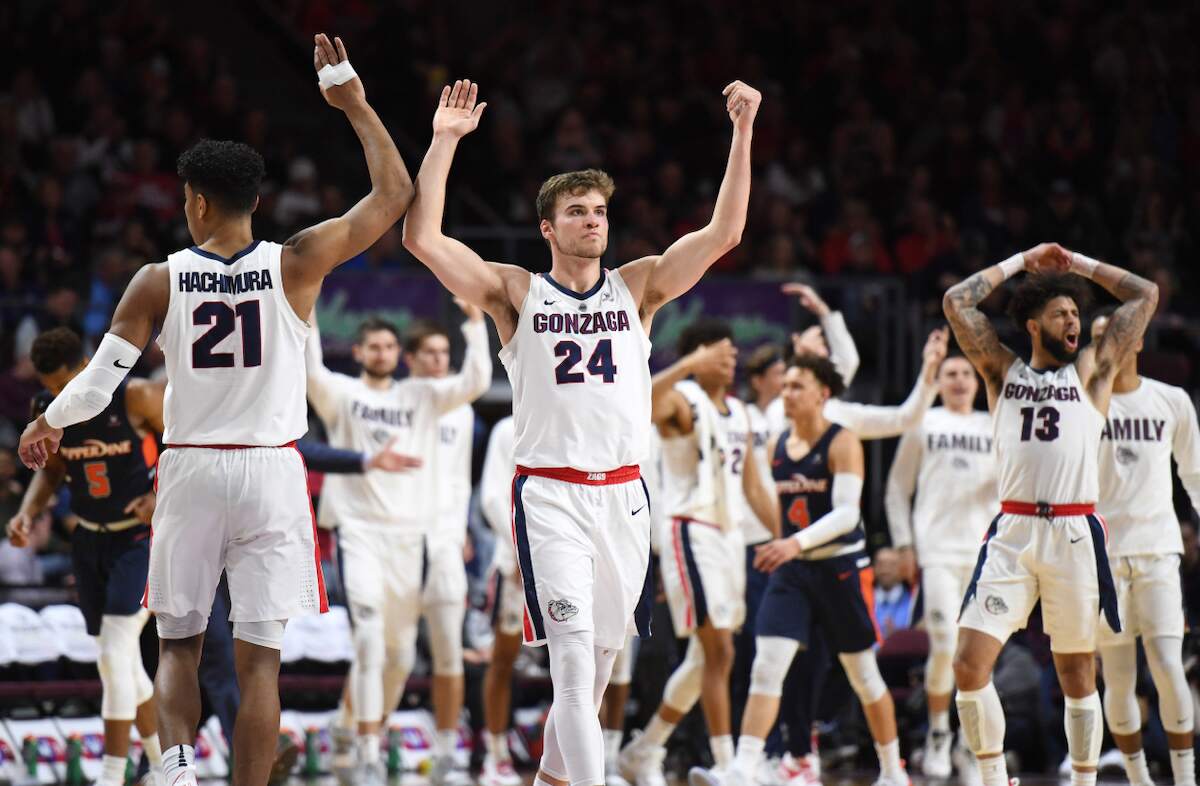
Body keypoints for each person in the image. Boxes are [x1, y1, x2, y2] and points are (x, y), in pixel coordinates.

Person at [17, 34, 414, 786]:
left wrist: (48, 423)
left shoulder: (157, 279)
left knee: (177, 647)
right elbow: (394, 198)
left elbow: (101, 383)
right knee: (261, 662)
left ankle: (173, 771)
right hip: (271, 474)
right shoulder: (296, 261)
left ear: (195, 201)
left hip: (192, 469)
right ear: (256, 202)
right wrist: (354, 103)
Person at [403, 76, 761, 786]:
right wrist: (444, 142)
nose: (593, 221)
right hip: (552, 497)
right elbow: (422, 237)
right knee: (570, 664)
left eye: (599, 211)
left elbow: (725, 234)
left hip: (626, 499)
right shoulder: (515, 291)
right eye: (577, 211)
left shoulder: (639, 287)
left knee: (596, 671)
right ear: (548, 227)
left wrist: (743, 132)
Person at [942, 243, 1158, 786]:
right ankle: (993, 778)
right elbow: (956, 302)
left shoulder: (1092, 374)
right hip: (1013, 530)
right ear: (1033, 325)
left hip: (1074, 531)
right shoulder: (999, 371)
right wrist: (1021, 261)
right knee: (968, 664)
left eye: (1077, 314)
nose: (1074, 321)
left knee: (1077, 672)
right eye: (1061, 313)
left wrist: (1078, 265)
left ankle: (1082, 781)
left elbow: (1145, 294)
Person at [693, 355, 909, 786]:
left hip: (841, 569)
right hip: (794, 572)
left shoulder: (842, 441)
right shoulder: (775, 445)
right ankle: (742, 768)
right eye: (785, 384)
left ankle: (892, 770)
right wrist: (777, 543)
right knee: (766, 665)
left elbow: (848, 515)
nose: (787, 392)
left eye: (797, 385)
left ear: (822, 394)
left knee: (863, 674)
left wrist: (793, 542)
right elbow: (776, 509)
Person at [303, 303, 490, 786]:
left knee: (401, 657)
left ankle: (348, 730)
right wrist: (307, 308)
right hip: (360, 532)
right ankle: (366, 750)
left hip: (412, 540)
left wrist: (473, 323)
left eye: (389, 345)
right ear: (360, 351)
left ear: (395, 353)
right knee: (368, 640)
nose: (382, 352)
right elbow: (308, 366)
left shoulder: (422, 395)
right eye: (375, 346)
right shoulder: (340, 393)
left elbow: (475, 382)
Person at [619, 320, 776, 785]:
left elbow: (752, 485)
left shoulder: (742, 413)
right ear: (698, 355)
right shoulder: (684, 399)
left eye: (733, 354)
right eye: (720, 353)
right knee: (719, 651)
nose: (731, 360)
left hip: (728, 538)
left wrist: (789, 539)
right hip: (691, 530)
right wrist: (685, 365)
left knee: (704, 659)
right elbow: (639, 406)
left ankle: (645, 749)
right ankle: (728, 766)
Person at [7, 327, 164, 786]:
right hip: (89, 541)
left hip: (139, 538)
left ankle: (112, 775)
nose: (59, 397)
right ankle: (161, 767)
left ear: (89, 364)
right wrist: (27, 511)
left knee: (117, 648)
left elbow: (185, 448)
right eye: (50, 388)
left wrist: (160, 492)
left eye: (65, 385)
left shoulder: (134, 396)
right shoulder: (46, 410)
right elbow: (52, 471)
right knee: (115, 660)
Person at [1089, 311, 1198, 786]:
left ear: (1136, 343)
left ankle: (1186, 778)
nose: (1103, 344)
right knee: (1117, 678)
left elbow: (1194, 475)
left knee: (1168, 664)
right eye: (1094, 339)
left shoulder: (1170, 400)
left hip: (1157, 550)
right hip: (1101, 558)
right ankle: (1138, 779)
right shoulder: (1080, 406)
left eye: (1111, 335)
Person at [884, 352, 996, 778]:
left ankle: (970, 743)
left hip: (984, 554)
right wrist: (903, 544)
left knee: (980, 655)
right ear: (938, 380)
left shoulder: (992, 425)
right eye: (950, 373)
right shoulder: (923, 423)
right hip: (936, 552)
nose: (960, 379)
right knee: (946, 646)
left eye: (967, 372)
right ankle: (937, 732)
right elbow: (896, 489)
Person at [477, 414, 526, 786]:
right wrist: (521, 550)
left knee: (577, 663)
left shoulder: (564, 415)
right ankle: (496, 753)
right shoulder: (505, 428)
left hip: (562, 560)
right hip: (514, 565)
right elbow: (493, 497)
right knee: (503, 660)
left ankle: (578, 756)